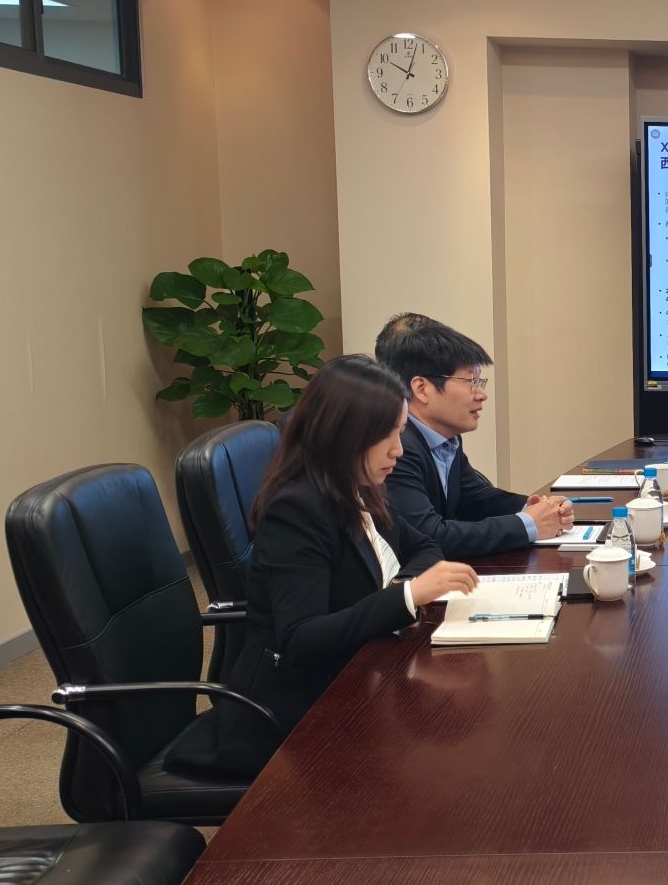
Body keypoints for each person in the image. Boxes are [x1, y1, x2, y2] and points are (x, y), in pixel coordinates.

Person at [169, 355, 481, 778]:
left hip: (351, 678)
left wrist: (407, 586)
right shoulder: (297, 510)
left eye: (400, 431)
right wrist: (408, 596)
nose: (399, 449)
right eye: (386, 434)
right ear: (344, 434)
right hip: (291, 719)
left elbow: (424, 544)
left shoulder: (360, 485)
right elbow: (301, 639)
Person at [374, 313, 573, 558]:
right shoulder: (399, 449)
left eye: (480, 382)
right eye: (471, 381)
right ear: (422, 389)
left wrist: (539, 508)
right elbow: (429, 536)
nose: (481, 394)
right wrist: (528, 525)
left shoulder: (446, 439)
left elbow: (477, 499)